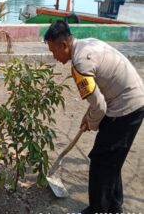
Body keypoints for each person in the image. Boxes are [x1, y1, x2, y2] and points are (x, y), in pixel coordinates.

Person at [44, 20, 144, 214]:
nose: (54, 56)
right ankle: (115, 207)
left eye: (53, 51)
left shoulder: (79, 65)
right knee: (112, 159)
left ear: (64, 45)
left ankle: (98, 209)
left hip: (126, 107)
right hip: (135, 99)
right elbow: (97, 101)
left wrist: (92, 121)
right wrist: (88, 116)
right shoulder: (87, 44)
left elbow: (99, 106)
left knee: (101, 160)